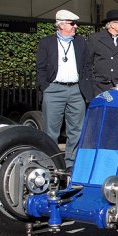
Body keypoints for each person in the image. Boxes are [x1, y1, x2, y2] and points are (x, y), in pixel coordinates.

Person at [36, 9, 94, 168]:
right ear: (61, 25)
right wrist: (45, 87)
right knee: (51, 131)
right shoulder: (46, 42)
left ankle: (71, 165)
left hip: (76, 90)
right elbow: (40, 69)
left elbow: (87, 66)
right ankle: (50, 164)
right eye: (72, 23)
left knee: (77, 130)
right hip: (54, 90)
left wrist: (86, 87)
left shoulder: (80, 41)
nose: (76, 26)